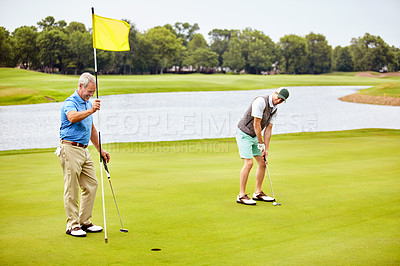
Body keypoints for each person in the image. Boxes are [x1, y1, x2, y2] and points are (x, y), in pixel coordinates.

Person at [56, 72, 110, 237]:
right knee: (72, 188)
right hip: (69, 148)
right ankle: (72, 226)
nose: (91, 95)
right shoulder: (70, 102)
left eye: (93, 92)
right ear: (81, 86)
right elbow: (72, 118)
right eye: (89, 91)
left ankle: (84, 222)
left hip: (84, 149)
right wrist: (92, 109)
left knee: (91, 185)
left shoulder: (87, 104)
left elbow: (91, 128)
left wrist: (100, 149)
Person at [235, 88, 289, 205]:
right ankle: (241, 195)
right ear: (275, 93)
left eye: (282, 100)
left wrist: (266, 148)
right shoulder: (260, 101)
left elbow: (268, 129)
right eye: (279, 97)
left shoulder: (274, 109)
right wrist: (261, 144)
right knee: (249, 163)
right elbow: (256, 124)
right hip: (244, 134)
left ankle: (257, 193)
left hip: (255, 136)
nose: (279, 100)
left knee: (263, 162)